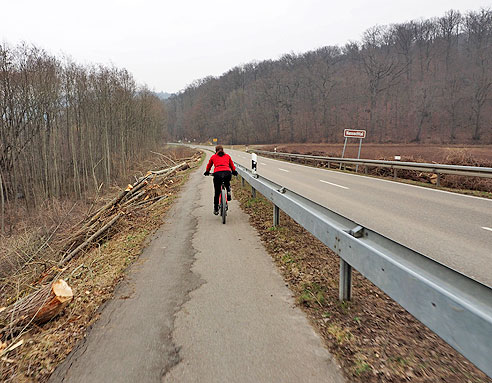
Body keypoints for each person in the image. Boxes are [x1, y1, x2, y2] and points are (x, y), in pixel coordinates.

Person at [204, 145, 238, 215]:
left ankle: (216, 209)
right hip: (227, 172)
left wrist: (207, 172)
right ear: (223, 150)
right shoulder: (227, 156)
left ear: (216, 151)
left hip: (217, 174)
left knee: (217, 192)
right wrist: (234, 171)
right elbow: (232, 165)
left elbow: (209, 165)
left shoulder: (213, 157)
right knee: (227, 182)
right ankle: (228, 190)